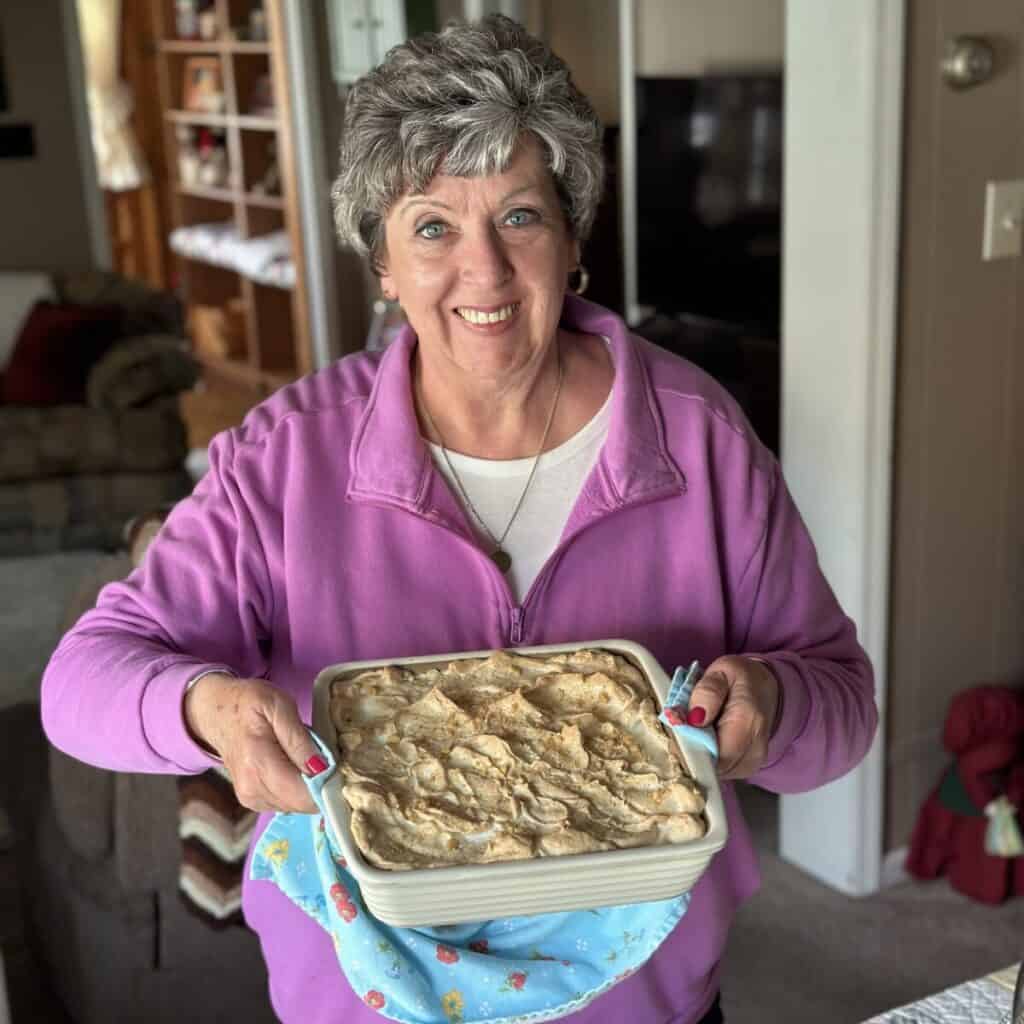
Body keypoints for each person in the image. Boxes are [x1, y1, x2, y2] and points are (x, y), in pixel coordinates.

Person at [41, 15, 876, 1024]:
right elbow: (82, 678)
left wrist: (773, 705)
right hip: (363, 1002)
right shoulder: (286, 453)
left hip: (638, 1000)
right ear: (383, 263)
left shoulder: (700, 439)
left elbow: (841, 705)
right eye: (432, 225)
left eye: (519, 216)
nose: (481, 272)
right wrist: (203, 709)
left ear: (572, 238)